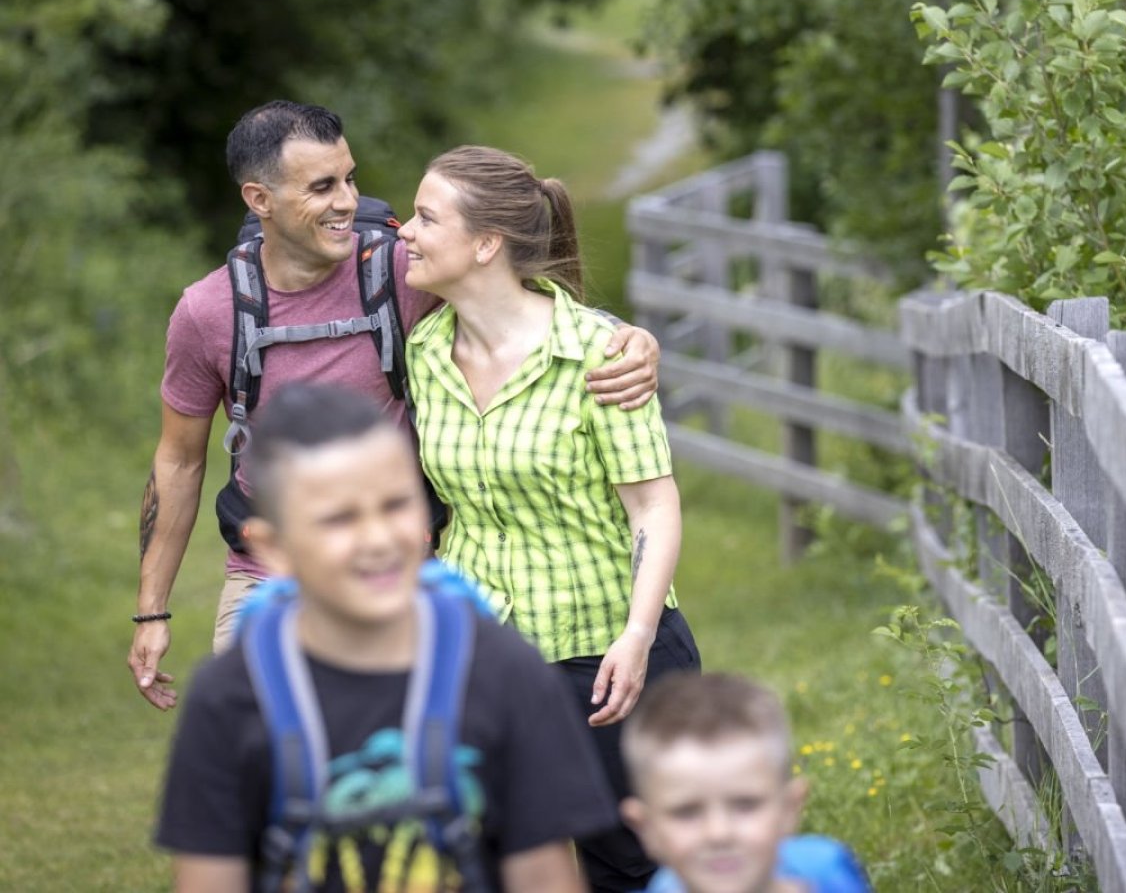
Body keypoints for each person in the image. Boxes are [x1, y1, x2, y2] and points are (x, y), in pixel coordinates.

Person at [129, 101, 659, 711]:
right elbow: (179, 461)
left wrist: (629, 338)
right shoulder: (209, 313)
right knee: (262, 759)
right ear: (259, 199)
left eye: (349, 178)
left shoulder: (403, 275)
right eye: (322, 186)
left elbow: (522, 306)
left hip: (399, 574)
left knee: (401, 771)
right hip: (268, 578)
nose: (348, 202)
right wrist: (152, 611)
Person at [154, 382, 616, 892]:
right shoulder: (231, 696)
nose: (376, 539)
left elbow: (543, 878)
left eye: (396, 505)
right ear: (273, 549)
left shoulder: (508, 672)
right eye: (338, 519)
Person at [399, 145, 701, 893]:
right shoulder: (424, 351)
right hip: (483, 659)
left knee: (632, 866)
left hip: (603, 658)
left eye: (426, 217)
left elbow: (654, 506)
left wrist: (635, 635)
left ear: (485, 243)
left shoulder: (599, 355)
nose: (404, 230)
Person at [619, 673, 871, 893]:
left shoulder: (832, 871)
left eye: (745, 805)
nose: (719, 833)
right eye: (687, 812)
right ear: (645, 827)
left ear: (790, 808)